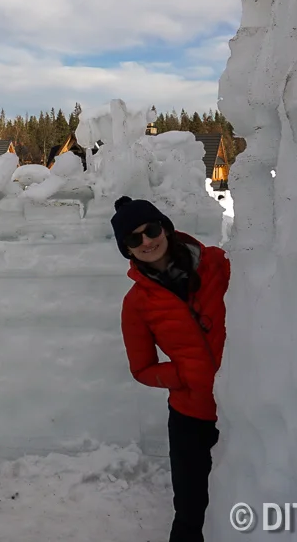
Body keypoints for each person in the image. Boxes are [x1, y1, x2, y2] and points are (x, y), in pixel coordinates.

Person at [111, 196, 229, 542]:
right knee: (191, 510)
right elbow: (142, 368)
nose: (147, 241)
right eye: (134, 239)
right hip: (191, 416)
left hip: (244, 404)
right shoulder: (137, 304)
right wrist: (184, 378)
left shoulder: (217, 264)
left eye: (150, 230)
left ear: (165, 227)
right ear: (127, 250)